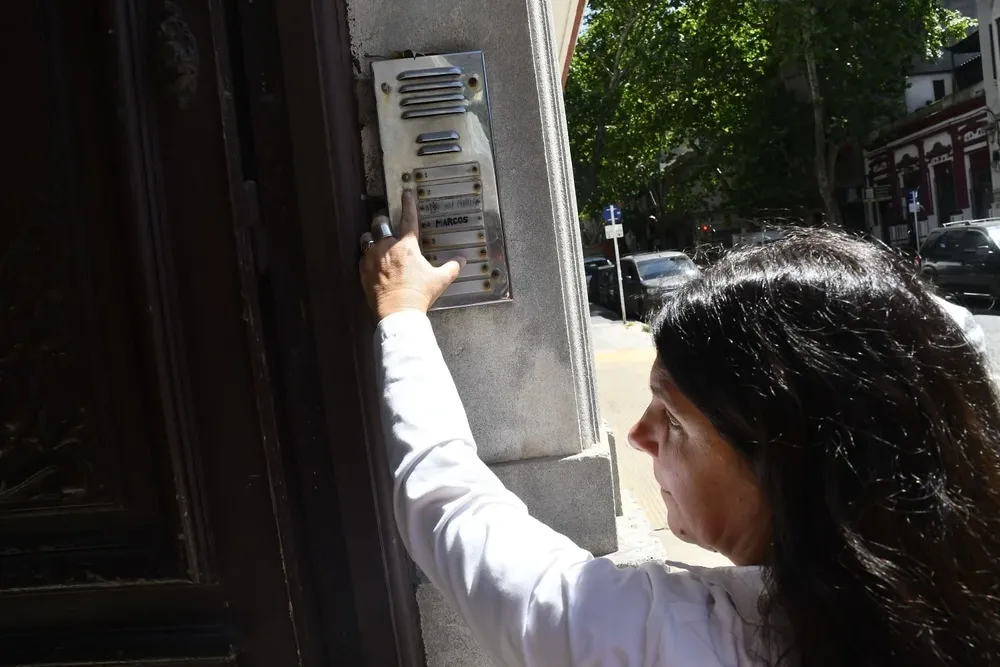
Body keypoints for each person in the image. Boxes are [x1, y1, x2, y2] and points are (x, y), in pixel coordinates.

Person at [359, 192, 1000, 667]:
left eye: (671, 416)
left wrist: (402, 312)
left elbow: (450, 505)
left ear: (783, 456)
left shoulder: (662, 639)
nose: (637, 435)